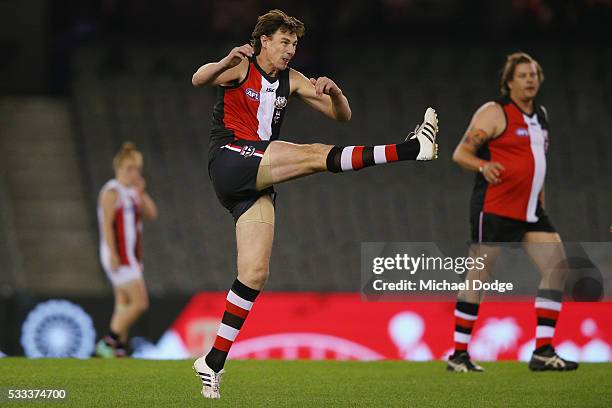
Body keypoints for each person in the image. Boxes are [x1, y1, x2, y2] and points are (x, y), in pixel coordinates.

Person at [191, 9, 439, 398]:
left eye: (295, 43)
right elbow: (198, 78)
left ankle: (212, 362)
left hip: (256, 179)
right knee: (312, 154)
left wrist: (336, 93)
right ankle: (410, 149)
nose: (291, 50)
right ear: (264, 41)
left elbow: (342, 117)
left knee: (254, 274)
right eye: (284, 42)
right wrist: (226, 59)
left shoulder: (292, 80)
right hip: (229, 158)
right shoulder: (242, 67)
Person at [448, 52, 577, 372]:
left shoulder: (541, 115)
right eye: (522, 75)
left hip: (530, 210)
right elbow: (461, 153)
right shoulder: (494, 112)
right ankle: (459, 354)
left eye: (533, 74)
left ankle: (543, 350)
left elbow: (537, 165)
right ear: (508, 82)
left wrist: (540, 202)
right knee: (479, 277)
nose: (530, 79)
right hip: (494, 206)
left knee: (558, 266)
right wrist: (484, 164)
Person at [95, 142, 158, 358]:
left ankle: (118, 348)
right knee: (140, 302)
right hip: (119, 255)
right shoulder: (112, 192)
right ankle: (108, 341)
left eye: (137, 169)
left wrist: (141, 192)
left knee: (123, 303)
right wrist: (113, 253)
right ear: (118, 169)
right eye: (129, 169)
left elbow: (151, 213)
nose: (133, 173)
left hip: (131, 255)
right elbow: (106, 226)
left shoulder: (132, 193)